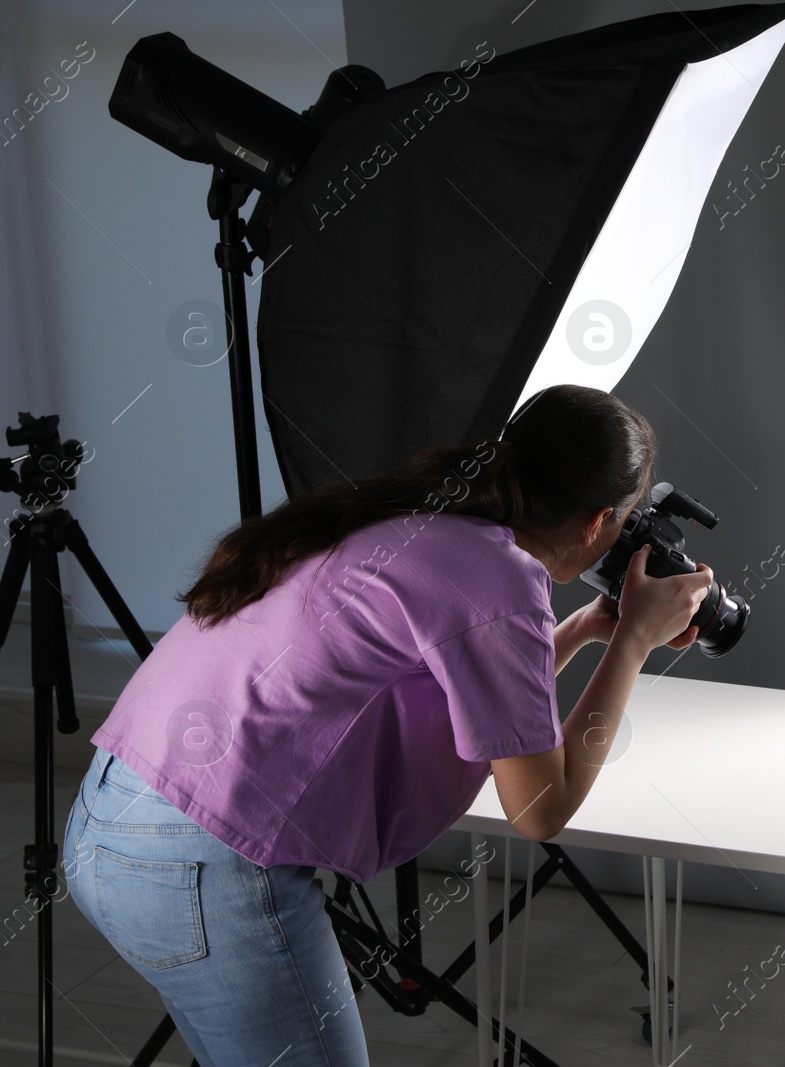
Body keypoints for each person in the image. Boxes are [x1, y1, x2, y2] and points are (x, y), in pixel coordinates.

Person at [61, 384, 712, 1066]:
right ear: (597, 521)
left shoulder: (416, 517)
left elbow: (485, 705)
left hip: (110, 826)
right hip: (203, 867)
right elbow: (541, 808)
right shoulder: (503, 574)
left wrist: (584, 630)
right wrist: (633, 641)